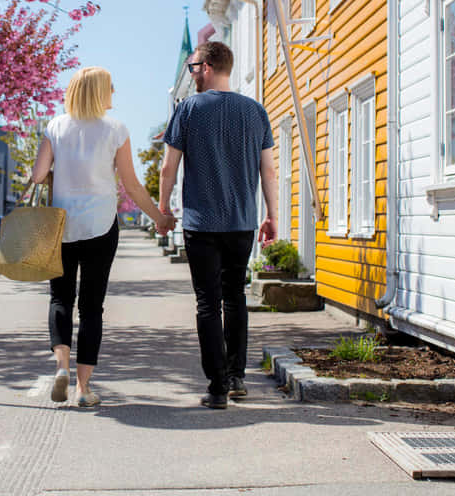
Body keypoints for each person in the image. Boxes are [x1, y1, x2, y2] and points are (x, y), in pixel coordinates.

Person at [30, 66, 176, 407]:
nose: (114, 94)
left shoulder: (55, 126)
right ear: (99, 92)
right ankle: (83, 389)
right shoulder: (116, 130)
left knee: (60, 299)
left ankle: (62, 367)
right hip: (100, 226)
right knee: (92, 307)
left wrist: (58, 169)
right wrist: (160, 218)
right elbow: (132, 185)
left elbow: (37, 176)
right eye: (111, 88)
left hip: (62, 227)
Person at [159, 41, 278, 409]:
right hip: (241, 222)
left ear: (208, 67)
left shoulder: (189, 110)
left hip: (201, 223)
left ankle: (217, 387)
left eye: (194, 68)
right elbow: (268, 169)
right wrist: (272, 214)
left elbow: (168, 166)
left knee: (208, 303)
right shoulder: (256, 111)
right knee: (235, 296)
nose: (193, 75)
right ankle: (237, 375)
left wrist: (163, 208)